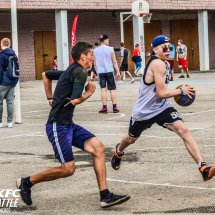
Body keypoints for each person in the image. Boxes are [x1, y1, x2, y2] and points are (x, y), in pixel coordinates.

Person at [16, 42, 130, 208]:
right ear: (83, 56)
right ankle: (26, 182)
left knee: (98, 148)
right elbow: (73, 101)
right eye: (91, 54)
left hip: (68, 124)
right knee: (68, 169)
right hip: (57, 126)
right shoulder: (79, 73)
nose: (93, 57)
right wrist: (89, 93)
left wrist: (50, 98)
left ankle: (105, 196)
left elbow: (45, 75)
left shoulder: (72, 70)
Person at [111, 35, 215, 183]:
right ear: (155, 49)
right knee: (131, 139)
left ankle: (203, 168)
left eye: (169, 48)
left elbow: (161, 93)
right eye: (164, 48)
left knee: (183, 130)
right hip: (144, 111)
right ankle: (119, 151)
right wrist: (181, 92)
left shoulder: (164, 63)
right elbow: (161, 93)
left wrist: (178, 91)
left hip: (161, 108)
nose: (168, 50)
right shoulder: (157, 64)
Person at [94, 34, 121, 114]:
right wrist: (118, 71)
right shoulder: (111, 49)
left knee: (103, 89)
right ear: (105, 40)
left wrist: (97, 71)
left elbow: (95, 64)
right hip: (109, 71)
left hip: (101, 72)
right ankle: (114, 107)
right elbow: (114, 61)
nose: (108, 41)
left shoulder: (95, 50)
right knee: (112, 89)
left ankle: (104, 108)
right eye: (108, 40)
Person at [0, 38, 19, 128]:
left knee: (0, 102)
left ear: (1, 44)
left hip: (3, 82)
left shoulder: (1, 55)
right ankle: (10, 122)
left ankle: (0, 122)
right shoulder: (14, 54)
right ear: (9, 44)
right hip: (13, 81)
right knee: (10, 102)